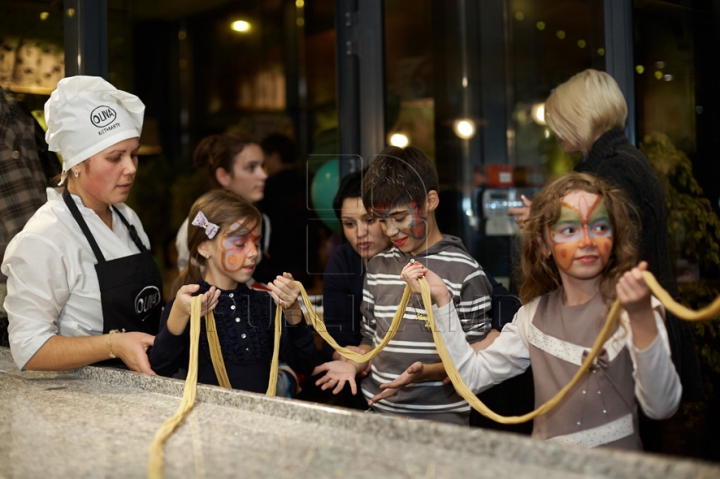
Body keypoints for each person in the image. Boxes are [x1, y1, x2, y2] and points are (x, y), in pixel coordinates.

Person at [398, 173, 681, 449]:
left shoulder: (636, 308)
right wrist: (442, 300)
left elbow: (662, 407)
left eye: (600, 227)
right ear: (545, 244)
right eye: (569, 230)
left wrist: (643, 321)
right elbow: (469, 377)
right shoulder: (531, 317)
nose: (587, 241)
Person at [507, 69, 703, 407]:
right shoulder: (623, 160)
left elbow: (608, 253)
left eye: (559, 120)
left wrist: (550, 232)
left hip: (631, 325)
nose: (553, 130)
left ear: (580, 117)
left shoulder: (613, 170)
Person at [312, 146, 496, 425]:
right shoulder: (377, 266)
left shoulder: (465, 272)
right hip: (378, 411)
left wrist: (429, 371)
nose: (391, 231)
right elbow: (370, 341)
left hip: (444, 419)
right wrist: (351, 364)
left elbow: (474, 360)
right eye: (382, 220)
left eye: (399, 218)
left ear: (431, 201)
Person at [2, 76, 160, 373]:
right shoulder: (45, 238)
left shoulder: (128, 218)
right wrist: (113, 345)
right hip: (79, 400)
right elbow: (29, 348)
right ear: (75, 162)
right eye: (115, 157)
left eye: (134, 154)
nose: (131, 168)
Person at [150, 189, 316, 393]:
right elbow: (160, 369)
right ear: (204, 247)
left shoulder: (265, 303)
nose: (254, 253)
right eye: (240, 243)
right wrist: (179, 313)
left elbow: (305, 364)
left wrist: (292, 310)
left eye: (256, 243)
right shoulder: (187, 303)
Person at [175, 134, 268, 280]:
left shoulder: (261, 219)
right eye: (251, 167)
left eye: (262, 166)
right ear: (223, 176)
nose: (263, 175)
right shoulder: (201, 225)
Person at [255, 133, 321, 287]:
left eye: (264, 160)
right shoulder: (309, 181)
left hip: (277, 261)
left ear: (275, 156)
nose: (263, 168)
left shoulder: (267, 188)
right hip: (308, 259)